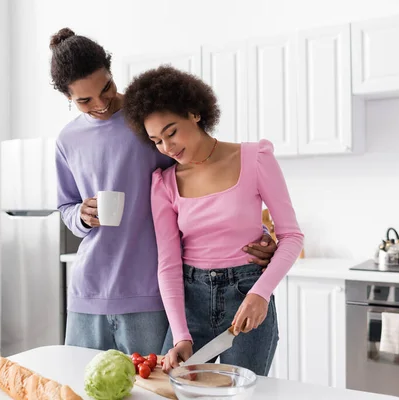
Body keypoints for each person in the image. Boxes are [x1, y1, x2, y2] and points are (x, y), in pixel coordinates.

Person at [49, 28, 278, 356]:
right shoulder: (67, 140)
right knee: (83, 386)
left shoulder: (150, 121)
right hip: (89, 289)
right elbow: (66, 207)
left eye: (107, 89)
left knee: (150, 390)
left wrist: (252, 234)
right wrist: (81, 215)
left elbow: (205, 172)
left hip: (151, 291)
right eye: (84, 100)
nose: (100, 104)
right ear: (68, 98)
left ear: (112, 74)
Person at [123, 65, 304, 375]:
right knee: (178, 392)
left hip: (247, 293)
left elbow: (292, 237)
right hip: (191, 302)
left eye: (171, 132)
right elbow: (168, 262)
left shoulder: (255, 158)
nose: (167, 147)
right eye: (156, 141)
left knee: (243, 395)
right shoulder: (164, 184)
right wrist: (181, 333)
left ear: (194, 113)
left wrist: (260, 294)